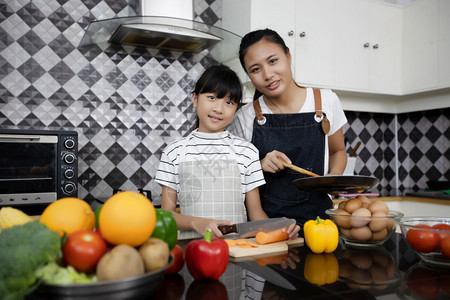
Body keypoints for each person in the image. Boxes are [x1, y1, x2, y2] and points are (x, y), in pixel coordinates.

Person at [155, 64, 300, 239]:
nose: (219, 108)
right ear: (195, 99)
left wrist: (279, 228)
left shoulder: (247, 152)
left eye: (229, 102)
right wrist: (197, 222)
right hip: (192, 250)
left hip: (239, 251)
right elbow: (167, 215)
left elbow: (256, 215)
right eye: (212, 97)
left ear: (236, 108)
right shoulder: (173, 152)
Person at [228, 29, 347, 230]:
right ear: (248, 75)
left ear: (288, 56)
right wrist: (260, 164)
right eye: (256, 69)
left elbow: (338, 151)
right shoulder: (245, 117)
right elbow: (234, 176)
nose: (268, 74)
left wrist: (332, 178)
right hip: (267, 227)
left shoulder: (326, 101)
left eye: (273, 61)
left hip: (320, 225)